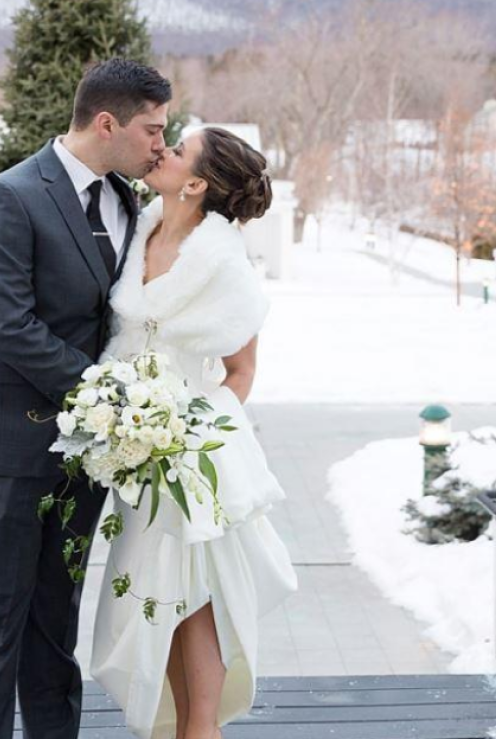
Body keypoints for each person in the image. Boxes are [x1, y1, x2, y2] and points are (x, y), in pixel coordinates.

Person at [0, 58, 171, 739]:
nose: (161, 143)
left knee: (54, 620)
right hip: (12, 445)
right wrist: (106, 397)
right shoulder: (9, 196)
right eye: (153, 130)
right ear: (108, 123)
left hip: (87, 456)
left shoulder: (126, 199)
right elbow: (6, 326)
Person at [89, 127, 298, 739]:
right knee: (159, 602)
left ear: (199, 182)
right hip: (134, 448)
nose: (164, 152)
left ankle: (200, 730)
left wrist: (181, 433)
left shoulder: (225, 265)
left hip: (192, 457)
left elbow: (242, 372)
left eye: (177, 150)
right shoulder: (141, 228)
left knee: (194, 601)